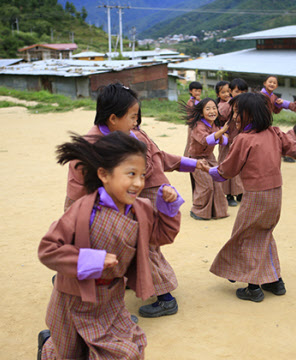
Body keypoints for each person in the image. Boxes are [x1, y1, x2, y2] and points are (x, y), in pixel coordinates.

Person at [37, 132, 184, 359]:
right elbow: (49, 250)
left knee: (126, 351)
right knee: (69, 353)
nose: (138, 183)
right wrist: (90, 260)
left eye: (142, 175)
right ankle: (47, 346)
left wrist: (169, 208)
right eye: (131, 174)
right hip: (74, 298)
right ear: (104, 174)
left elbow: (161, 236)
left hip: (111, 297)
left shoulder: (141, 208)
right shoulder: (84, 210)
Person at [203, 92, 296, 302]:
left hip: (256, 196)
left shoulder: (243, 140)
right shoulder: (274, 133)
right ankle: (275, 280)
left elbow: (228, 169)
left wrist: (210, 171)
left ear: (250, 115)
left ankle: (253, 287)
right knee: (263, 233)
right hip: (275, 194)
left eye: (238, 112)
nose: (234, 116)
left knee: (247, 236)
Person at [132, 118, 207, 318]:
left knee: (144, 246)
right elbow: (163, 159)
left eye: (133, 116)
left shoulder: (133, 136)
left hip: (148, 193)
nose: (133, 120)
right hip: (156, 192)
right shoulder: (139, 134)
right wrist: (194, 164)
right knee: (144, 244)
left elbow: (152, 163)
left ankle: (165, 298)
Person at [65, 83, 140, 211]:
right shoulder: (94, 147)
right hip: (85, 208)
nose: (135, 123)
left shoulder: (127, 137)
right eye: (132, 117)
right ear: (113, 119)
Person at [186, 97, 229, 220]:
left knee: (217, 182)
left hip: (210, 158)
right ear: (201, 112)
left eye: (214, 108)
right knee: (206, 185)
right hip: (196, 159)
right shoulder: (197, 126)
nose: (212, 111)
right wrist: (222, 132)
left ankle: (217, 212)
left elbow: (224, 142)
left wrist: (223, 134)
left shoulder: (215, 125)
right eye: (208, 108)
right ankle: (198, 211)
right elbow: (206, 141)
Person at [215, 80, 244, 206]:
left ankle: (239, 192)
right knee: (226, 165)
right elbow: (216, 121)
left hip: (239, 139)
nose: (227, 94)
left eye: (242, 91)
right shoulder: (224, 106)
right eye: (237, 91)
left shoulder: (243, 103)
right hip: (226, 141)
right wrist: (222, 131)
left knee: (240, 165)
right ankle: (228, 194)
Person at [183, 81, 203, 157]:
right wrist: (198, 101)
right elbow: (196, 110)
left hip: (198, 126)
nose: (198, 92)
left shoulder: (199, 101)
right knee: (190, 143)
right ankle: (187, 160)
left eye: (199, 91)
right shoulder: (191, 102)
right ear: (190, 91)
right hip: (192, 126)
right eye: (196, 91)